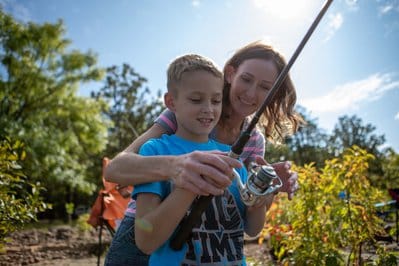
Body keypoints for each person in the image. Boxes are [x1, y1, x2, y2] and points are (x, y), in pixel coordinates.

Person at [105, 41, 304, 265]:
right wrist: (178, 166)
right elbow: (115, 169)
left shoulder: (254, 141)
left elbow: (243, 210)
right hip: (144, 231)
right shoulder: (186, 114)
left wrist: (266, 188)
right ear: (230, 74)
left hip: (208, 245)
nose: (251, 93)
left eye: (265, 87)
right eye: (246, 79)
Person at [134, 53, 269, 265]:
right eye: (196, 100)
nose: (208, 108)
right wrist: (191, 185)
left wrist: (258, 205)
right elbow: (146, 241)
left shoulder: (231, 159)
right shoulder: (155, 151)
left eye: (216, 100)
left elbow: (252, 230)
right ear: (171, 102)